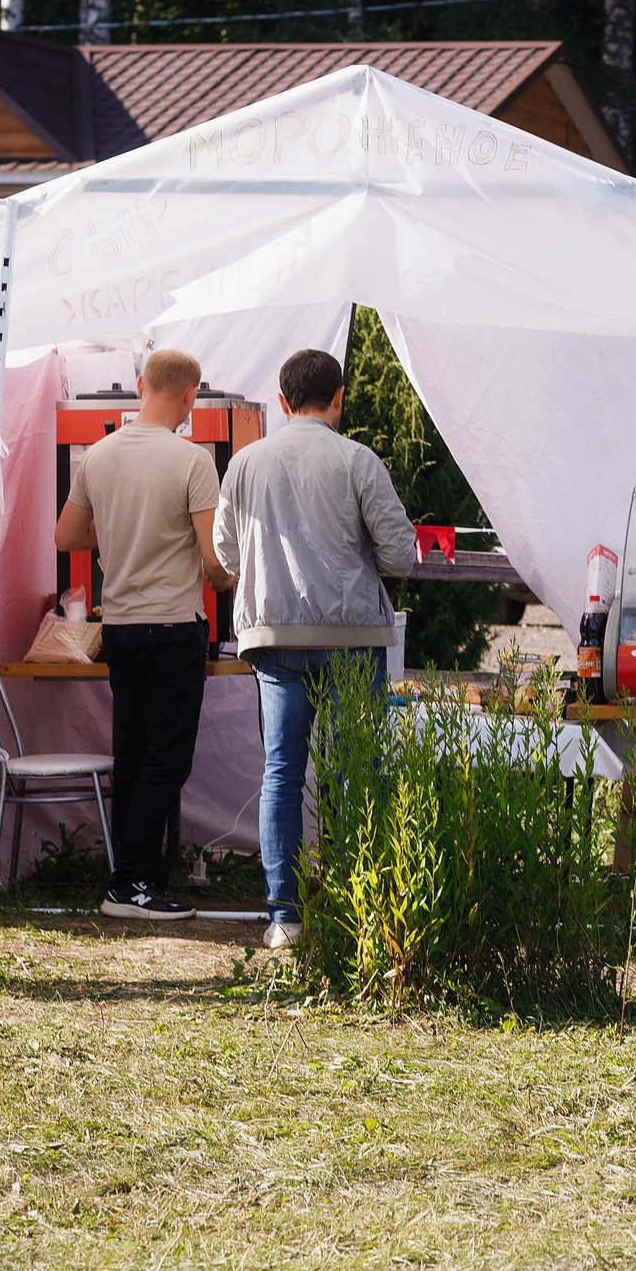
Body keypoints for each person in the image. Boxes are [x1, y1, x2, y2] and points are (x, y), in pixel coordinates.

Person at [211, 347, 419, 949]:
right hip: (353, 634)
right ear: (339, 398)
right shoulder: (358, 460)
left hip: (275, 637)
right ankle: (361, 912)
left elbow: (225, 557)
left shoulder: (246, 464)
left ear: (281, 401)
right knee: (357, 773)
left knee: (282, 772)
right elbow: (400, 555)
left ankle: (285, 918)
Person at [55, 349, 237, 921]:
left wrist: (117, 534)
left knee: (132, 753)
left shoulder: (99, 455)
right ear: (190, 396)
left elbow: (66, 537)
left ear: (140, 386)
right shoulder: (192, 460)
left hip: (122, 627)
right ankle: (132, 882)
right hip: (173, 625)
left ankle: (135, 881)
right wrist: (237, 578)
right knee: (167, 757)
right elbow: (212, 561)